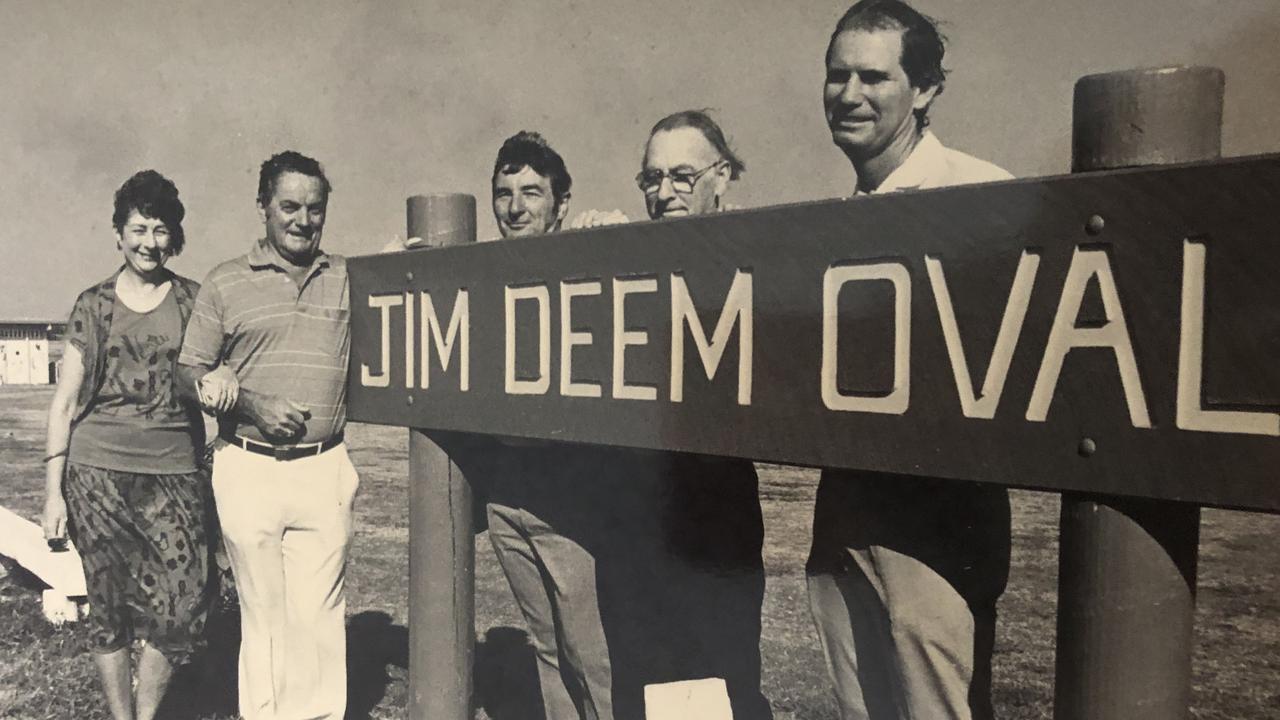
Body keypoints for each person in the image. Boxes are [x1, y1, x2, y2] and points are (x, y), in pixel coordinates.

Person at [806, 2, 1014, 719]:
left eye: (874, 76)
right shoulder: (836, 215)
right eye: (838, 76)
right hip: (846, 510)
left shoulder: (979, 191)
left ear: (924, 90)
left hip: (939, 521)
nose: (850, 95)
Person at [176, 150, 357, 720]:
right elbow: (187, 375)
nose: (303, 220)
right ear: (263, 208)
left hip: (324, 467)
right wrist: (248, 401)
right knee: (265, 617)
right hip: (248, 464)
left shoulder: (349, 276)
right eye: (289, 207)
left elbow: (414, 288)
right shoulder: (225, 281)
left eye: (315, 208)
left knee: (321, 617)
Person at [42, 170, 228, 720]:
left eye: (162, 230)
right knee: (109, 607)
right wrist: (53, 494)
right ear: (119, 232)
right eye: (139, 228)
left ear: (176, 236)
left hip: (175, 475)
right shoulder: (92, 306)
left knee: (183, 607)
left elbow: (219, 376)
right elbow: (65, 403)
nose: (150, 242)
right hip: (95, 476)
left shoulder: (196, 301)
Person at [482, 130, 626, 720]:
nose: (516, 208)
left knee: (595, 654)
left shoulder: (591, 264)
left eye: (532, 193)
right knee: (547, 647)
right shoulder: (481, 276)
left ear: (561, 203)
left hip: (573, 500)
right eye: (504, 193)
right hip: (505, 498)